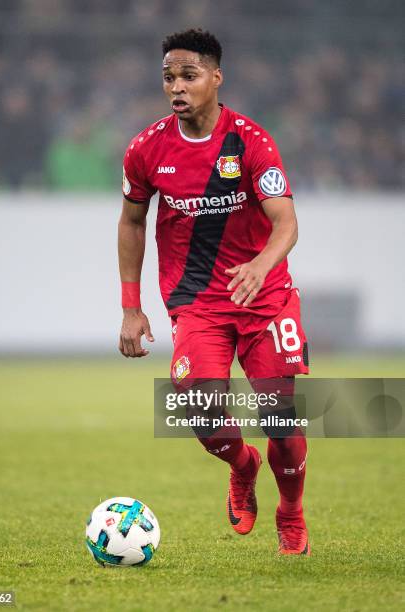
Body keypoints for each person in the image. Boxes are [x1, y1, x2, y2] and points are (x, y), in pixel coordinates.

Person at [117, 29, 310, 555]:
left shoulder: (251, 141)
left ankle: (290, 511)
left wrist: (261, 264)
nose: (176, 87)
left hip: (265, 300)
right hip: (198, 306)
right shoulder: (147, 148)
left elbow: (286, 223)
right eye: (168, 77)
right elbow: (132, 223)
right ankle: (242, 466)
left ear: (216, 78)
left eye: (188, 75)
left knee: (282, 422)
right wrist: (131, 308)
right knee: (199, 412)